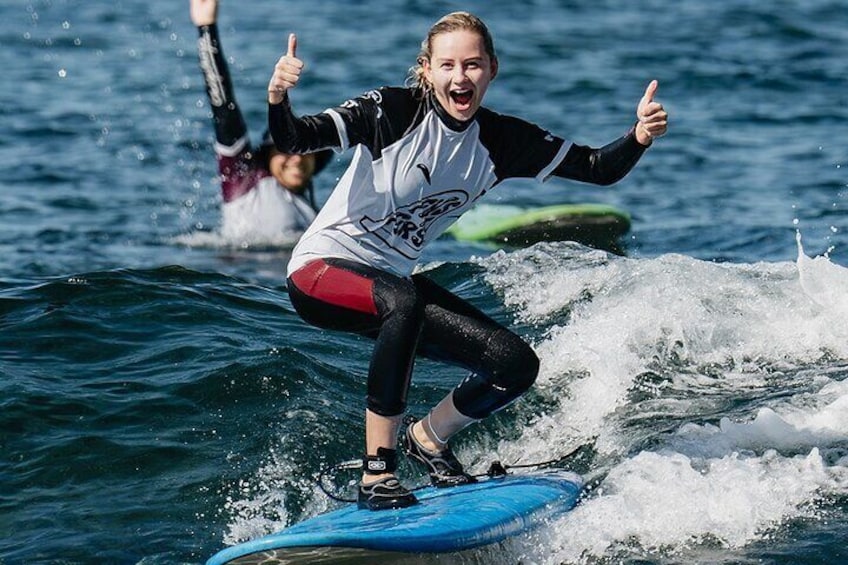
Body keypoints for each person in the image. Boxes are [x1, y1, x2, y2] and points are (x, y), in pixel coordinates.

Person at [267, 12, 667, 510]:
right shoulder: (392, 112)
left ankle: (428, 438)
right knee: (404, 299)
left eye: (473, 65)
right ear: (428, 70)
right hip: (321, 272)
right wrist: (279, 97)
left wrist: (639, 136)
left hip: (391, 289)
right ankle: (377, 473)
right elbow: (295, 139)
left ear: (492, 69)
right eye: (449, 65)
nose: (461, 77)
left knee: (513, 364)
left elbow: (596, 168)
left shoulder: (502, 141)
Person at [189, 0, 332, 244]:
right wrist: (206, 27)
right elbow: (223, 107)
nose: (296, 158)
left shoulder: (316, 216)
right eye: (286, 150)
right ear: (267, 157)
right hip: (239, 280)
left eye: (304, 151)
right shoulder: (244, 178)